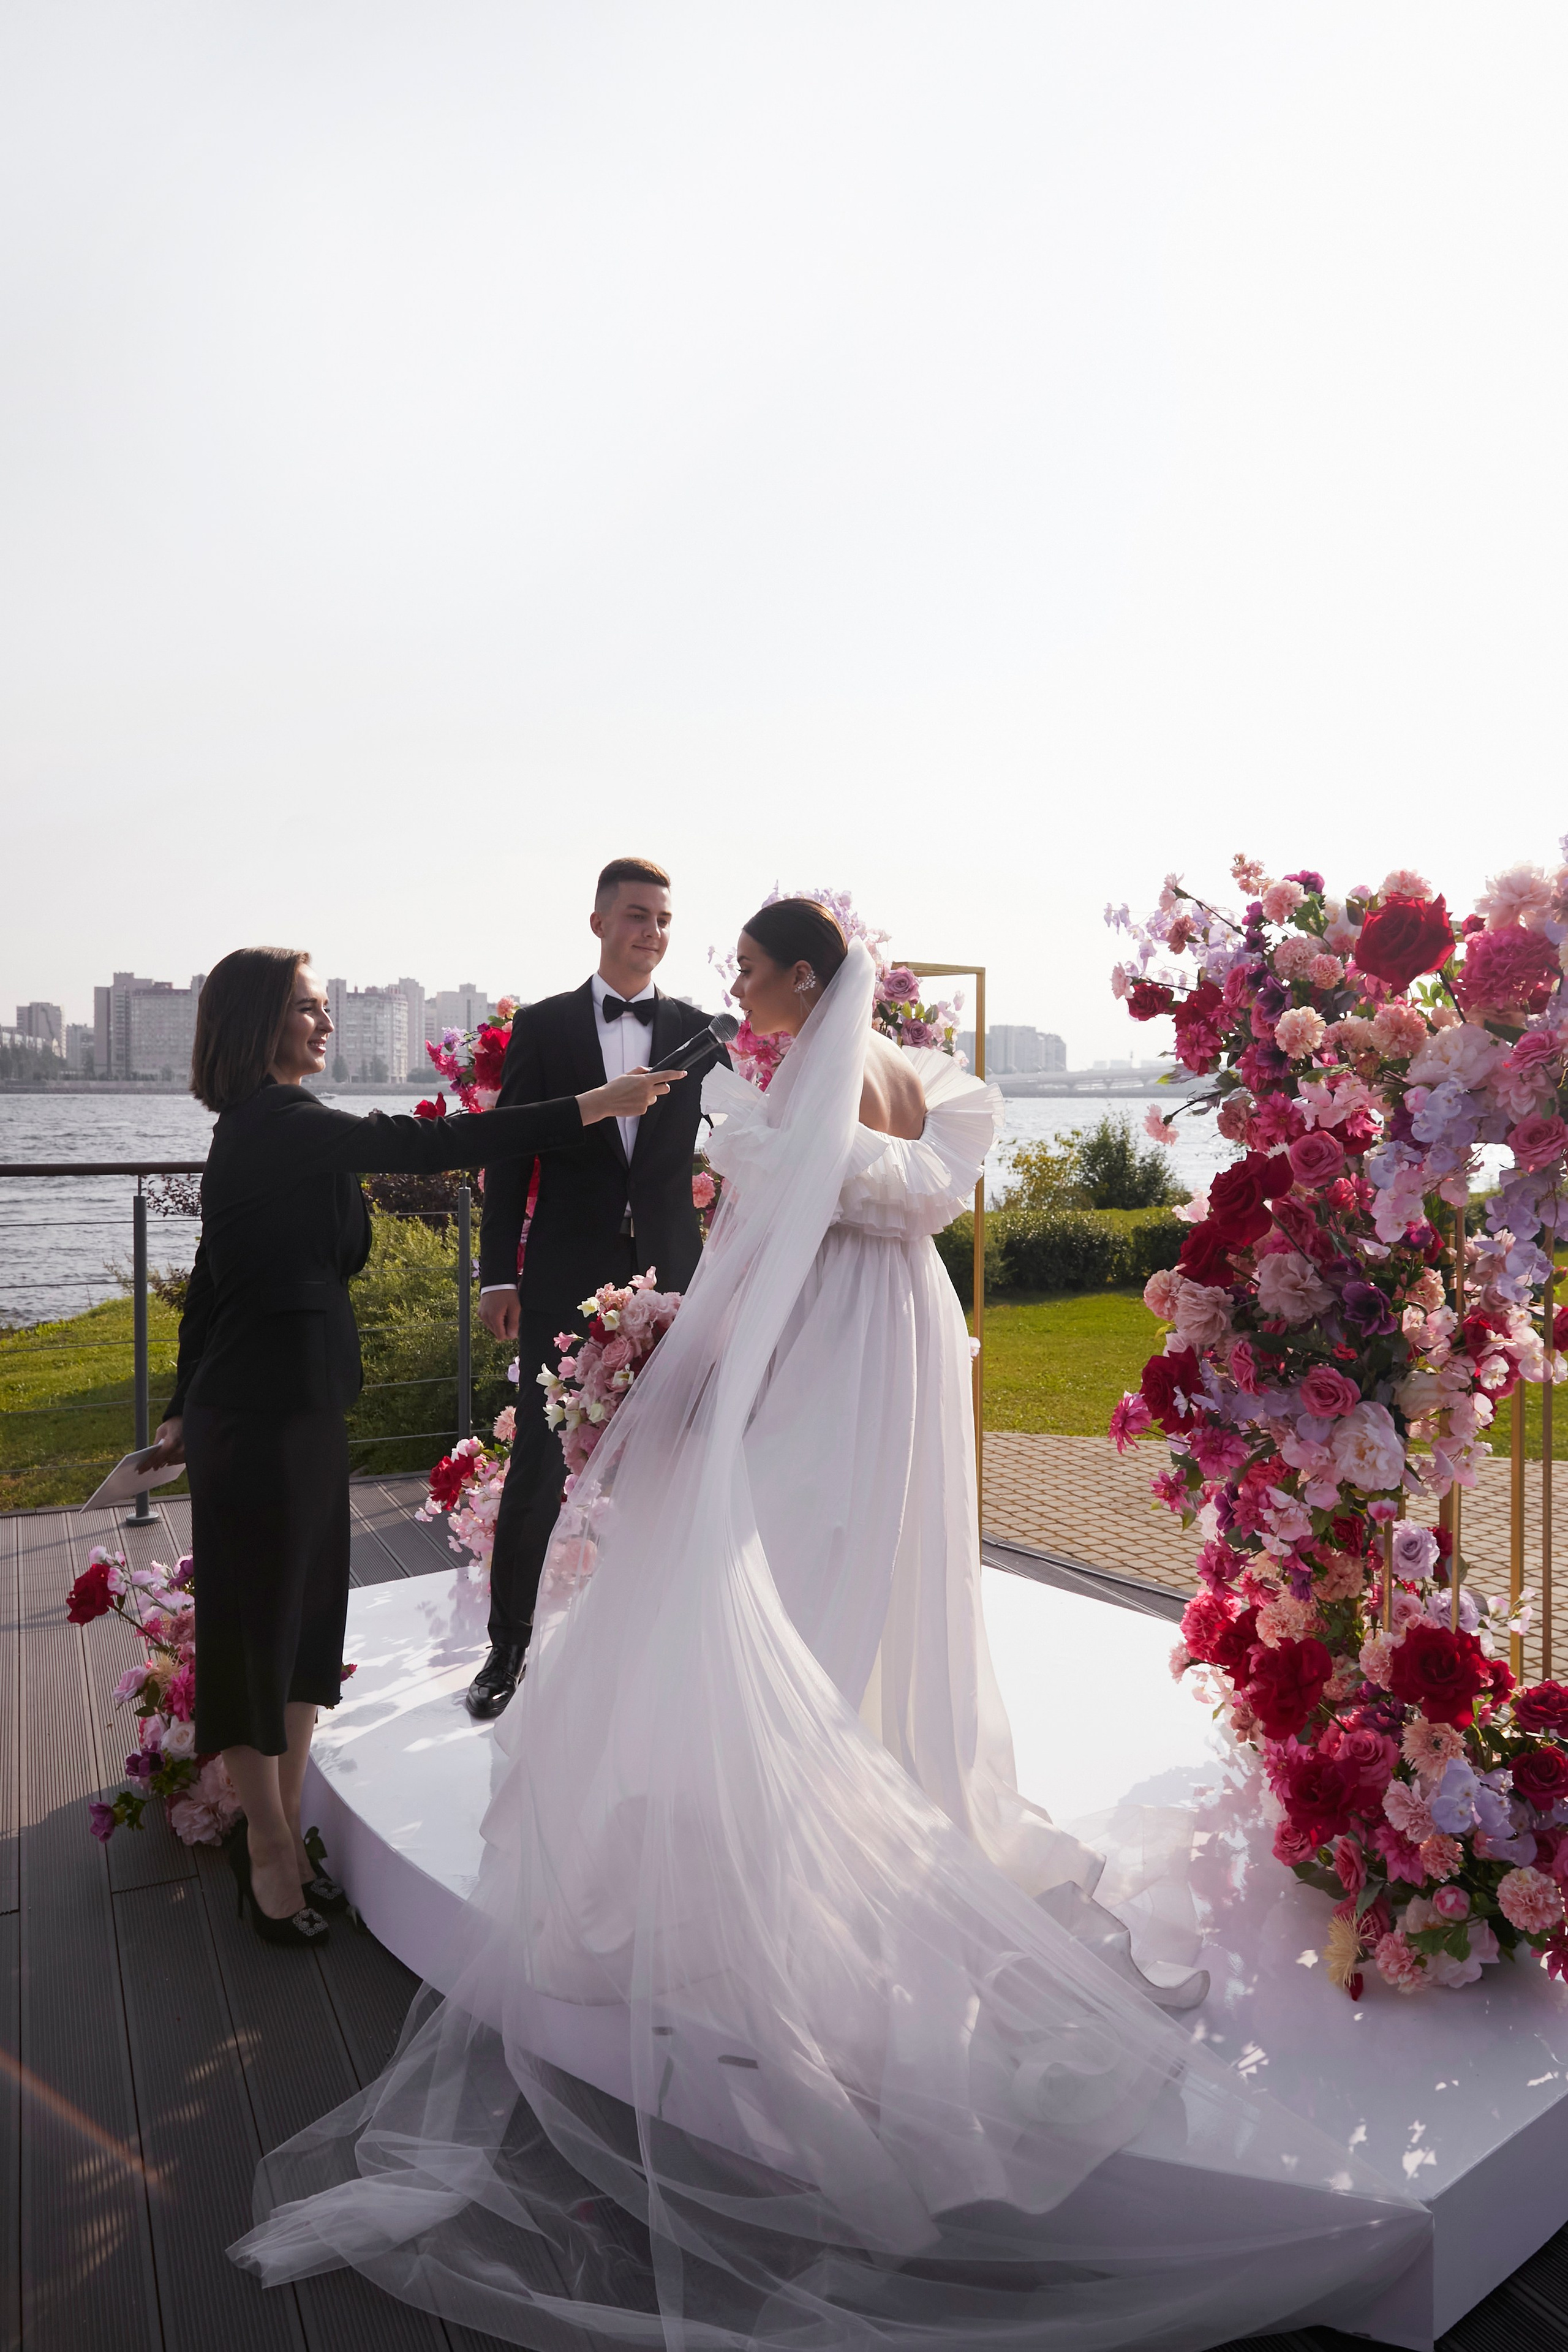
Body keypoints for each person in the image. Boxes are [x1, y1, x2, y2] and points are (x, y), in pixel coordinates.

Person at [231, 910, 1427, 2346]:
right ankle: (879, 1762)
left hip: (829, 1340)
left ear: (802, 978)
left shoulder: (779, 1093)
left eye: (744, 965)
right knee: (882, 1553)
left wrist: (678, 1378)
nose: (727, 986)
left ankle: (797, 1803)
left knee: (784, 1565)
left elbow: (756, 1258)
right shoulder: (929, 1080)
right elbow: (904, 1200)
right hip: (912, 1337)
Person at [148, 947, 677, 1947]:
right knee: (258, 1639)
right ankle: (266, 1854)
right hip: (255, 1416)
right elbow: (434, 1146)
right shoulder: (278, 1124)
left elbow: (212, 1278)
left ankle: (284, 1831)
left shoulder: (266, 1130)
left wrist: (176, 1403)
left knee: (307, 1628)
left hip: (298, 1409)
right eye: (308, 1007)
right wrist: (593, 1106)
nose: (326, 1022)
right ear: (259, 1022)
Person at [467, 854, 726, 1718]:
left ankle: (664, 1656)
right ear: (598, 923)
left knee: (675, 1462)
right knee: (539, 1468)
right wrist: (497, 1272)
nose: (650, 932)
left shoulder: (700, 1030)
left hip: (671, 1278)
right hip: (562, 1280)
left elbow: (754, 1138)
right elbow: (509, 1154)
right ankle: (506, 1652)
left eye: (661, 919)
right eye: (635, 916)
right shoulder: (544, 1027)